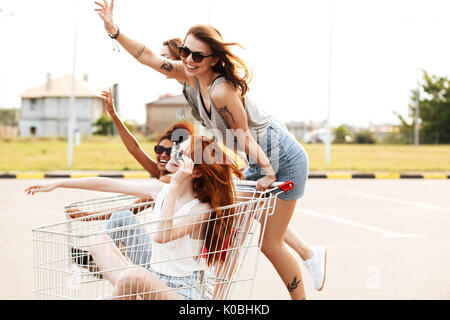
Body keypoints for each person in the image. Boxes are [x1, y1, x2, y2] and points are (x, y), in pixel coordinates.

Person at [94, 1, 326, 298]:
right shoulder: (190, 76)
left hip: (282, 158)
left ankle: (305, 270)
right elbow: (149, 57)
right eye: (184, 52)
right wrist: (114, 31)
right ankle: (224, 294)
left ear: (214, 59)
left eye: (197, 55)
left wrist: (267, 172)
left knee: (269, 243)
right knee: (230, 214)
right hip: (258, 156)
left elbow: (244, 137)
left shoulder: (221, 90)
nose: (188, 59)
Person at [26, 135, 244, 300]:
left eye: (181, 154)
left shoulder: (200, 209)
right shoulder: (161, 190)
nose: (172, 154)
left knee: (134, 276)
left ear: (195, 171)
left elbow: (161, 235)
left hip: (181, 292)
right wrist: (57, 184)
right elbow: (107, 183)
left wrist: (176, 184)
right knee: (97, 240)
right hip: (152, 277)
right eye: (177, 148)